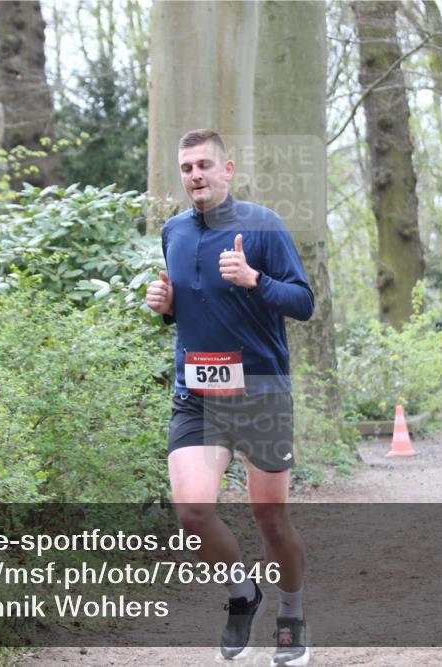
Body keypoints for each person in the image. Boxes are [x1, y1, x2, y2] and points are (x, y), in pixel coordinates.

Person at [145, 129, 313, 666]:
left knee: (271, 520)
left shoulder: (263, 225)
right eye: (186, 167)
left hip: (261, 390)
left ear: (227, 169)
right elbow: (192, 305)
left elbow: (304, 301)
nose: (194, 175)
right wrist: (165, 304)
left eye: (203, 165)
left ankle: (291, 613)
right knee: (192, 511)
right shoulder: (173, 230)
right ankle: (243, 595)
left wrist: (254, 279)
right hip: (197, 392)